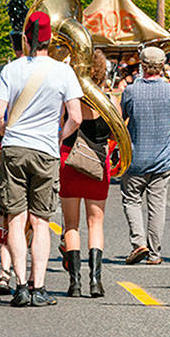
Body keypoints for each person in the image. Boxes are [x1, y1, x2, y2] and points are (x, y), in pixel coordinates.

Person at [0, 11, 84, 308]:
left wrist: (9, 132)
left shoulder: (10, 70)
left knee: (15, 220)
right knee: (40, 222)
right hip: (46, 151)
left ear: (26, 38)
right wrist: (57, 137)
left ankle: (18, 285)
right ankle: (39, 286)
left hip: (15, 148)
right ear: (49, 39)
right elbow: (76, 118)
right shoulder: (63, 72)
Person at [120, 45, 170, 266]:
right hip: (163, 158)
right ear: (162, 66)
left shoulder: (130, 91)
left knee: (131, 199)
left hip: (136, 157)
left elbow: (122, 118)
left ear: (142, 65)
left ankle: (138, 242)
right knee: (157, 204)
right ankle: (154, 252)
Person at [58, 68, 113, 299]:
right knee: (96, 223)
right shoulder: (109, 102)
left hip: (69, 159)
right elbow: (119, 134)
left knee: (71, 225)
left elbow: (60, 125)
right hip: (97, 162)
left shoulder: (70, 102)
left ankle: (75, 282)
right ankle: (95, 280)